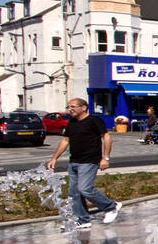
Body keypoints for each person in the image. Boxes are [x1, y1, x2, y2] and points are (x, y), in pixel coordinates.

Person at [46, 98, 121, 229]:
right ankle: (83, 220)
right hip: (74, 161)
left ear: (84, 107)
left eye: (73, 106)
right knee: (74, 193)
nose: (70, 109)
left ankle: (111, 206)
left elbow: (107, 137)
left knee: (85, 189)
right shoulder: (72, 123)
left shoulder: (94, 121)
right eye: (68, 107)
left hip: (89, 161)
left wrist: (106, 158)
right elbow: (65, 141)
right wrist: (54, 158)